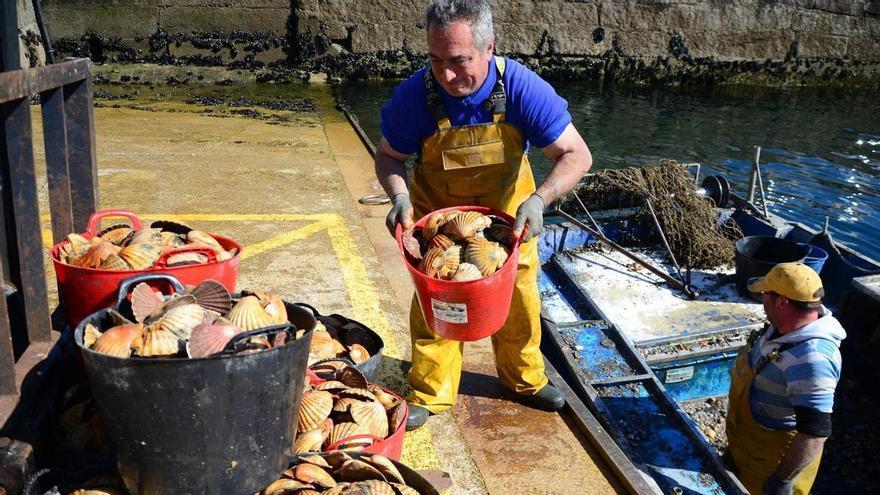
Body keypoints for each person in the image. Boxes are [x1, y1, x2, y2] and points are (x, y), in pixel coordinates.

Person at [375, 0, 593, 430]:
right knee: (437, 302)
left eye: (459, 61)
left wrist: (540, 199)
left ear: (489, 47)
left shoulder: (522, 89)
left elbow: (576, 154)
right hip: (442, 229)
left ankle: (523, 380)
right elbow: (388, 156)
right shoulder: (416, 96)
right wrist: (398, 197)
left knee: (521, 301)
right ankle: (430, 391)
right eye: (436, 60)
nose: (446, 75)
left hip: (510, 226)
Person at [726, 263, 846, 495]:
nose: (762, 301)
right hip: (747, 449)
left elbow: (814, 433)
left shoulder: (812, 359)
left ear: (782, 302)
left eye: (765, 294)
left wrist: (781, 480)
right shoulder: (782, 329)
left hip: (771, 465)